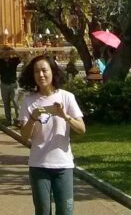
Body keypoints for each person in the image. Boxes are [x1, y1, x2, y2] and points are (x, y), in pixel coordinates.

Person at [19, 55, 86, 215]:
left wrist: (65, 116)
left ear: (52, 72)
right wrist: (33, 118)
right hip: (39, 165)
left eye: (44, 70)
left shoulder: (67, 97)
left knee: (65, 211)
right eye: (36, 72)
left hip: (63, 165)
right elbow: (24, 136)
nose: (40, 75)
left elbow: (82, 129)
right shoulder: (29, 101)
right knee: (43, 211)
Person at [0, 45, 22, 126]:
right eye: (5, 52)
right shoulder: (0, 61)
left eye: (8, 52)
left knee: (16, 103)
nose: (6, 53)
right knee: (6, 104)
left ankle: (19, 120)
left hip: (13, 84)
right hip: (4, 84)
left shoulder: (14, 60)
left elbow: (21, 57)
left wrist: (14, 51)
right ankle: (8, 120)